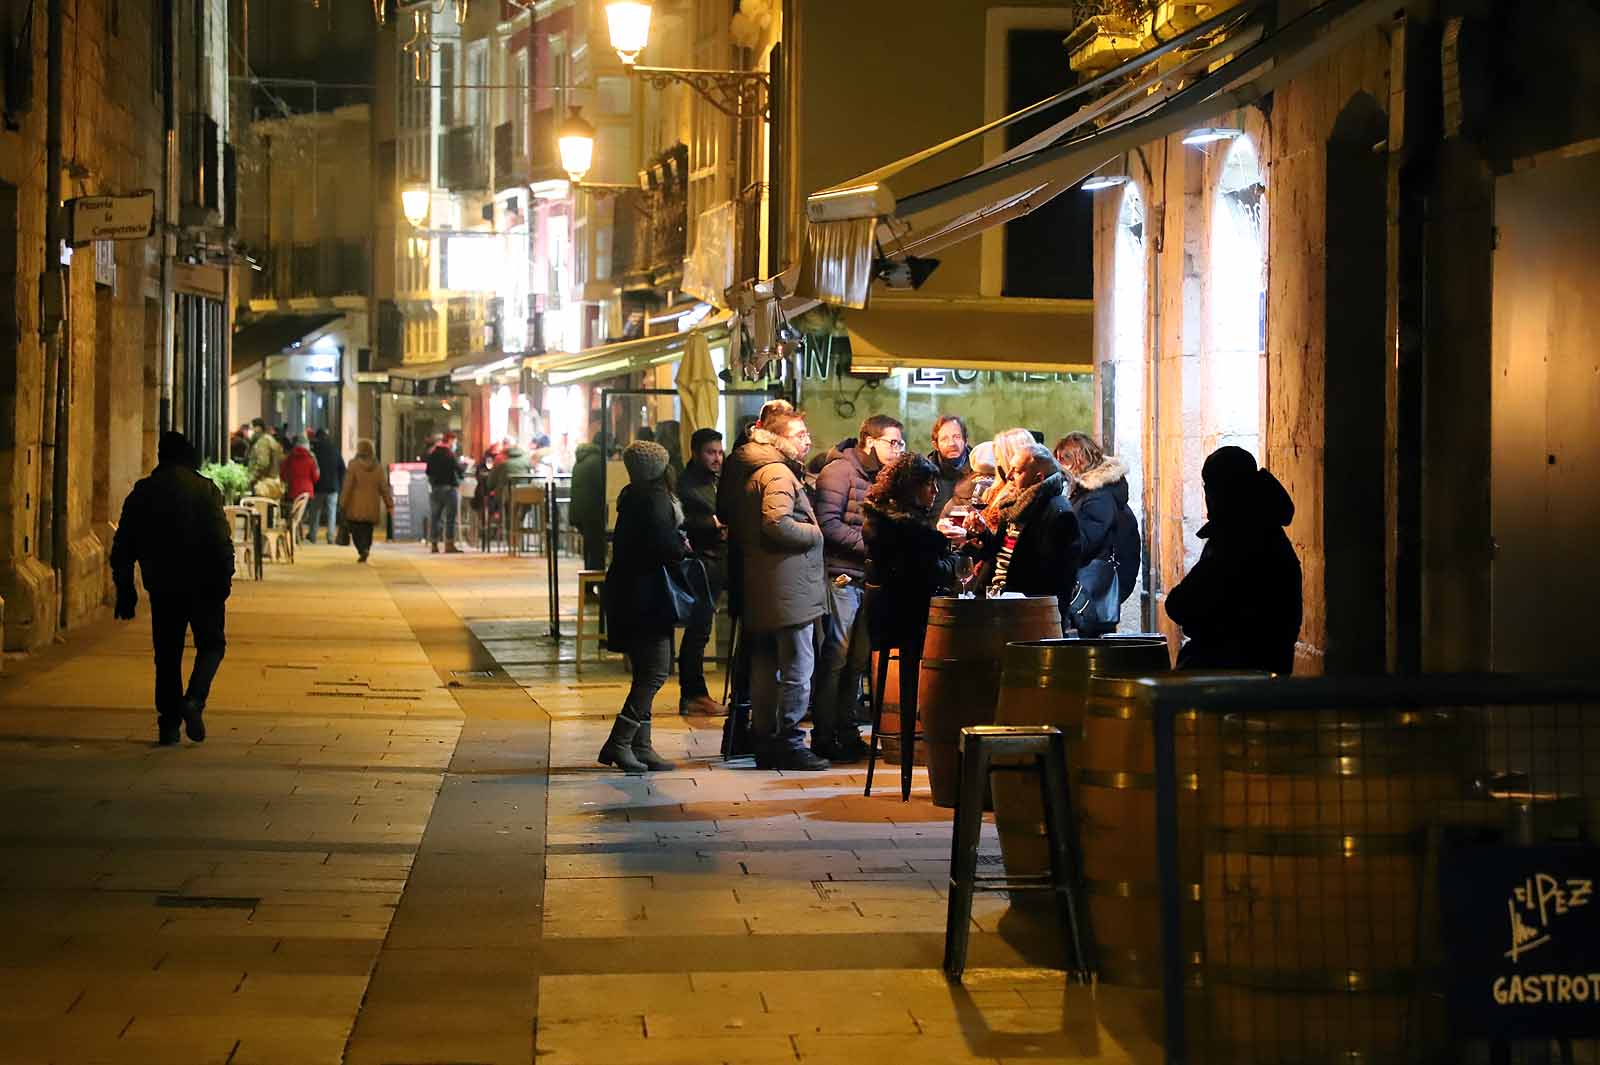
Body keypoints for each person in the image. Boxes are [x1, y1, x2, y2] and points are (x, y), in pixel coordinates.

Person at [110, 431, 234, 745]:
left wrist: (126, 589)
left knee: (167, 655)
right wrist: (225, 579)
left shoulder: (144, 491)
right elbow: (222, 540)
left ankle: (168, 725)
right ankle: (193, 700)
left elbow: (123, 545)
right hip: (205, 584)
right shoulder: (206, 490)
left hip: (163, 586)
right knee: (212, 645)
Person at [729, 407, 831, 771]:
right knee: (798, 665)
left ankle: (766, 738)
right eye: (800, 434)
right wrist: (815, 534)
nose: (807, 440)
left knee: (766, 664)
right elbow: (776, 523)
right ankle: (787, 740)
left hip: (767, 582)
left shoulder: (753, 467)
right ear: (779, 439)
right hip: (787, 585)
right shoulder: (776, 472)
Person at [810, 414, 905, 762]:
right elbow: (828, 524)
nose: (897, 449)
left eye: (900, 443)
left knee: (859, 659)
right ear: (869, 441)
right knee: (836, 655)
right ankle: (823, 734)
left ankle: (847, 731)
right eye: (892, 442)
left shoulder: (884, 477)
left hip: (870, 578)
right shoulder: (839, 471)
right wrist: (873, 546)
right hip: (842, 576)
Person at [1165, 445, 1302, 674]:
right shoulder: (1267, 534)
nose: (1207, 498)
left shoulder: (1238, 540)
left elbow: (1182, 604)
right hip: (1259, 671)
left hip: (1230, 678)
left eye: (1209, 489)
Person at [597, 441, 689, 774]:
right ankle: (620, 742)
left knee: (644, 670)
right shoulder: (656, 499)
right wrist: (681, 546)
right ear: (660, 468)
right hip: (647, 595)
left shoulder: (630, 497)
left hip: (629, 593)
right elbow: (664, 546)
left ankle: (642, 746)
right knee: (656, 670)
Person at [716, 400, 795, 758]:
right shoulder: (767, 466)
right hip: (758, 566)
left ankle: (740, 731)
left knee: (752, 650)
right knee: (758, 652)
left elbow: (724, 511)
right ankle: (749, 729)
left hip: (743, 563)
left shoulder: (738, 462)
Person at [863, 453, 960, 743]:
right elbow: (928, 574)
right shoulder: (905, 530)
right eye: (928, 484)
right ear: (911, 487)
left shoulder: (883, 519)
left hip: (889, 616)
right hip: (906, 621)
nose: (935, 491)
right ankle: (943, 735)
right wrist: (954, 559)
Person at [966, 443, 1082, 632]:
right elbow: (1003, 551)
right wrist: (984, 534)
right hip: (998, 602)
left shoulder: (1058, 514)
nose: (1009, 476)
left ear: (1038, 477)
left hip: (1026, 614)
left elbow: (1053, 579)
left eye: (1017, 471)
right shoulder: (1015, 504)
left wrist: (1009, 596)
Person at [1055, 432, 1142, 636]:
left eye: (1063, 461)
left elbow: (1084, 543)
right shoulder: (1087, 493)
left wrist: (1057, 527)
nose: (1059, 468)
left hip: (1090, 590)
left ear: (1079, 461)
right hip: (1088, 588)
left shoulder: (1099, 497)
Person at [677, 428, 727, 717]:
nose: (717, 458)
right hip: (702, 565)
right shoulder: (687, 486)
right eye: (710, 452)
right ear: (695, 453)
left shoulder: (718, 481)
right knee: (698, 630)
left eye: (719, 452)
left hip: (719, 562)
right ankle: (694, 694)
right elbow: (685, 522)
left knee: (701, 629)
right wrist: (714, 523)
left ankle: (696, 695)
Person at [340, 439, 393, 563]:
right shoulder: (378, 467)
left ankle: (361, 549)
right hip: (372, 506)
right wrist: (389, 504)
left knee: (356, 530)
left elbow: (347, 486)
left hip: (355, 506)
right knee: (368, 529)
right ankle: (366, 547)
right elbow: (384, 488)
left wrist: (342, 502)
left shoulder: (353, 465)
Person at [569, 436, 607, 571]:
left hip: (581, 511)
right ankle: (596, 582)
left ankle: (588, 584)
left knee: (589, 546)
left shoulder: (582, 459)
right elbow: (603, 488)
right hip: (593, 511)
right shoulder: (598, 461)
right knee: (597, 548)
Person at [928, 414, 977, 516]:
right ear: (935, 445)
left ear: (966, 440)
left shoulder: (981, 471)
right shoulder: (925, 474)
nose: (951, 443)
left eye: (957, 437)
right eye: (944, 439)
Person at [425, 433, 464, 553]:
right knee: (450, 518)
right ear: (450, 441)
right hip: (449, 488)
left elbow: (428, 471)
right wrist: (463, 469)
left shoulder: (433, 453)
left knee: (435, 517)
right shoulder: (449, 454)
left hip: (436, 488)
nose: (455, 445)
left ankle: (434, 544)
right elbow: (458, 469)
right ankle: (449, 544)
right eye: (455, 442)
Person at [307, 428, 345, 544]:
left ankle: (313, 535)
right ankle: (330, 537)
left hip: (318, 486)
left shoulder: (314, 450)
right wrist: (339, 483)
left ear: (317, 437)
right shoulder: (335, 449)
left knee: (315, 511)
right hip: (333, 487)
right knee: (331, 512)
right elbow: (342, 468)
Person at [280, 435, 320, 512]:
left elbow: (282, 474)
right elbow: (315, 478)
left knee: (293, 515)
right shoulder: (311, 458)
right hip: (307, 494)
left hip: (293, 492)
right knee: (302, 516)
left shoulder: (289, 458)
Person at [247, 417, 283, 489]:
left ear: (258, 428)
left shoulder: (263, 442)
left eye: (251, 428)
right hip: (272, 482)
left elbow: (263, 463)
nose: (249, 431)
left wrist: (251, 478)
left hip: (265, 484)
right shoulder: (269, 439)